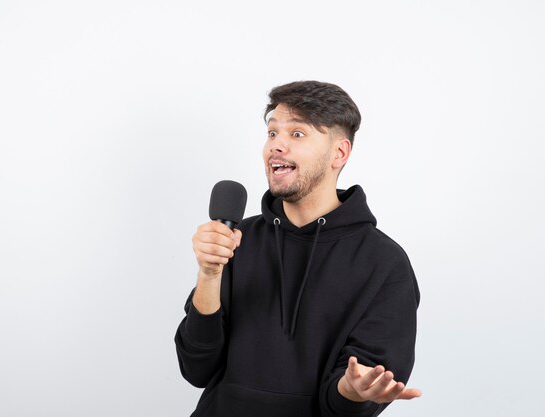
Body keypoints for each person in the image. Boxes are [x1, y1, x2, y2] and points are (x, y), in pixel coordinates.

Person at [174, 81, 421, 417]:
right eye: (272, 133)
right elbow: (196, 368)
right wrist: (209, 273)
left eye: (297, 134)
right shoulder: (237, 239)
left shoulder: (383, 263)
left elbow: (347, 401)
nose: (276, 146)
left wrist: (351, 391)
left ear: (339, 153)